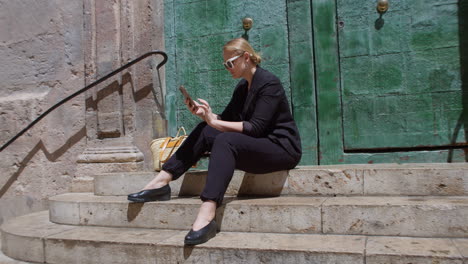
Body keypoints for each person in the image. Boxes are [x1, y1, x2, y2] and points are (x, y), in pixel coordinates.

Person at [128, 38, 302, 245]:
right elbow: (225, 121)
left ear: (246, 57)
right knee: (207, 129)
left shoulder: (269, 83)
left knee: (225, 140)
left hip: (281, 149)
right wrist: (206, 115)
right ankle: (162, 181)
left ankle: (208, 210)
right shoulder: (242, 88)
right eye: (224, 64)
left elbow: (255, 127)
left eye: (230, 63)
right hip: (258, 146)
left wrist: (214, 122)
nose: (227, 68)